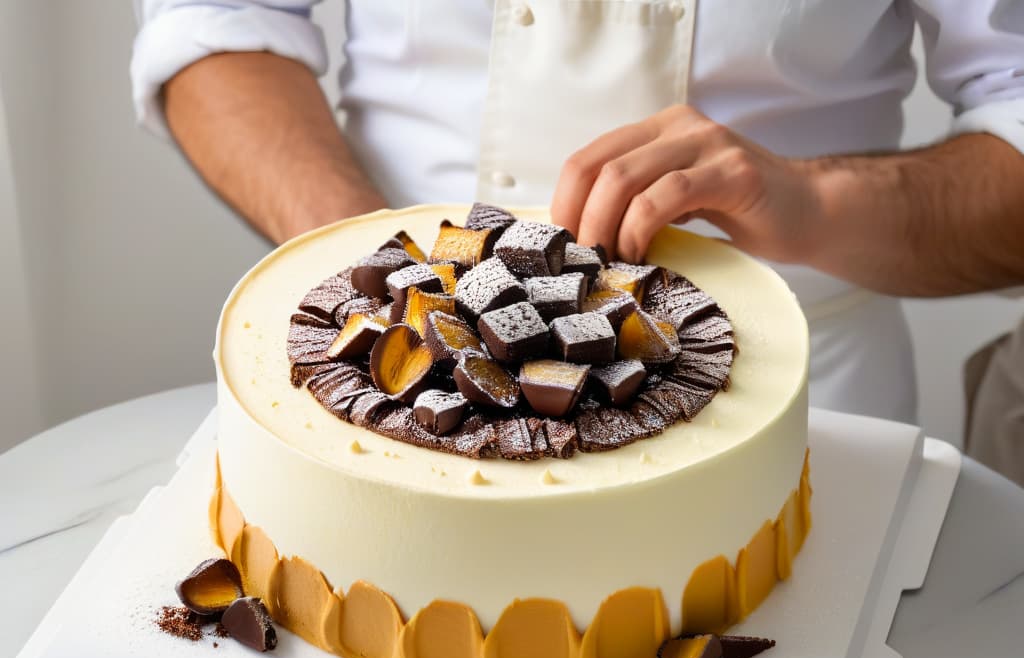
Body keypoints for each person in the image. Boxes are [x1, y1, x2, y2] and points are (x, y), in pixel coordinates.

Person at [130, 0, 1024, 426]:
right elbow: (215, 20)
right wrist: (376, 267)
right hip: (386, 379)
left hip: (804, 405)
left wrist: (817, 198)